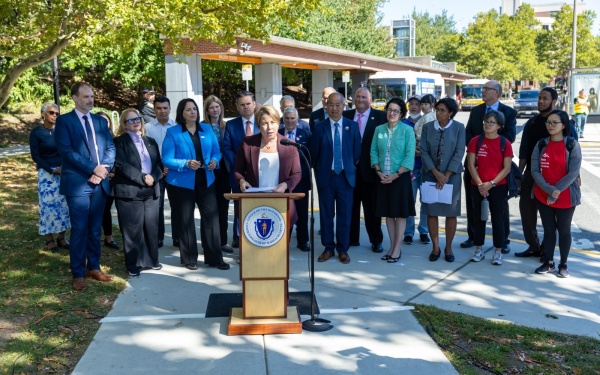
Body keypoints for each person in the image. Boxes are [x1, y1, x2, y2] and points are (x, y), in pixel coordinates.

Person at [55, 82, 116, 291]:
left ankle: (94, 267)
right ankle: (78, 273)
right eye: (85, 97)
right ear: (74, 98)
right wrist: (93, 169)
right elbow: (67, 152)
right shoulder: (64, 121)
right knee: (80, 228)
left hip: (100, 183)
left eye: (92, 96)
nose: (90, 100)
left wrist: (103, 170)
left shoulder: (100, 121)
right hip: (78, 183)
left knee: (94, 227)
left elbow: (110, 146)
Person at [162, 98, 229, 270]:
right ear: (181, 113)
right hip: (182, 183)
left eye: (194, 109)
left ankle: (215, 258)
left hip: (206, 180)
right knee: (186, 220)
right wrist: (185, 163)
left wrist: (214, 160)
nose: (193, 112)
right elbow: (167, 159)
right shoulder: (173, 132)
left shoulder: (206, 129)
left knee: (211, 218)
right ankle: (189, 258)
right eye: (188, 110)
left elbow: (216, 151)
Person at [515, 87, 578, 258]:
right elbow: (524, 150)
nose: (541, 101)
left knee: (551, 218)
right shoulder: (532, 122)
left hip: (557, 176)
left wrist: (576, 176)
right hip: (533, 173)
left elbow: (573, 151)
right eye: (539, 98)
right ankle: (533, 246)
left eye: (545, 98)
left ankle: (546, 250)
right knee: (527, 212)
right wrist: (519, 174)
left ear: (554, 101)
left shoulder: (564, 122)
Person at [463, 80, 516, 253]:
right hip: (474, 164)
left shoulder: (508, 112)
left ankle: (503, 241)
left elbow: (510, 136)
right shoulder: (477, 110)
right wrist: (479, 146)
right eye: (483, 88)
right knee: (473, 203)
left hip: (497, 168)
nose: (483, 91)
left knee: (499, 209)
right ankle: (473, 237)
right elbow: (469, 132)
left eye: (487, 89)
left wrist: (489, 140)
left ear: (497, 93)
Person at [309, 92, 361, 264]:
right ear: (326, 106)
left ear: (344, 106)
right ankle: (328, 248)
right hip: (326, 178)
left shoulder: (352, 126)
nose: (335, 108)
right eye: (331, 104)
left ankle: (343, 249)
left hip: (345, 177)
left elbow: (356, 153)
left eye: (338, 104)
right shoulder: (319, 127)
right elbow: (314, 155)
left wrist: (347, 167)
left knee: (345, 215)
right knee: (326, 215)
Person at [113, 109, 163, 276]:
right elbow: (121, 165)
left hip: (151, 190)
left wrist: (153, 177)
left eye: (137, 119)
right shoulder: (119, 142)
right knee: (132, 230)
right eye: (130, 120)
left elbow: (159, 165)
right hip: (129, 191)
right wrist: (143, 178)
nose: (135, 122)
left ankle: (152, 260)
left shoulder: (150, 141)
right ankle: (133, 264)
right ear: (124, 125)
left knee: (151, 227)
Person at [532, 110, 581, 278]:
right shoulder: (541, 144)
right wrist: (549, 190)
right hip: (542, 194)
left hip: (566, 196)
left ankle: (563, 264)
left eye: (554, 123)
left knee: (564, 230)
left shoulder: (572, 145)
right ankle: (549, 262)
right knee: (548, 230)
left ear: (564, 125)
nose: (550, 126)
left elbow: (573, 173)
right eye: (548, 123)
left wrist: (555, 191)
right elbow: (535, 171)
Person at [235, 105, 301, 221]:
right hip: (254, 204)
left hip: (281, 203)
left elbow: (296, 173)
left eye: (273, 122)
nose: (269, 127)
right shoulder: (247, 144)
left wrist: (286, 185)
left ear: (278, 123)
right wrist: (242, 181)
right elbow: (238, 170)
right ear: (259, 125)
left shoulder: (289, 145)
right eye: (264, 123)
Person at [420, 97, 465, 263]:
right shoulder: (427, 127)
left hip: (451, 177)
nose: (438, 113)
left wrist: (445, 175)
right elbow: (423, 151)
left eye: (442, 110)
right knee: (431, 211)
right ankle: (435, 247)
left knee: (450, 213)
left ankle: (448, 247)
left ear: (451, 113)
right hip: (430, 175)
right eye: (437, 109)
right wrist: (436, 173)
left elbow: (459, 152)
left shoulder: (459, 128)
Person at [370, 98, 416, 263]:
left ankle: (397, 249)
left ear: (402, 114)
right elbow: (374, 152)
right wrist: (379, 171)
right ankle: (392, 247)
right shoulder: (379, 130)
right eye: (389, 109)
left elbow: (409, 155)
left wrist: (397, 173)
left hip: (400, 178)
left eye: (396, 110)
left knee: (400, 214)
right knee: (388, 214)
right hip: (383, 177)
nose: (392, 113)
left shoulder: (407, 130)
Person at [342, 87, 387, 252]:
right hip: (349, 171)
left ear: (370, 100)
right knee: (350, 208)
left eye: (363, 97)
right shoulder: (346, 116)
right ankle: (352, 239)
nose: (360, 99)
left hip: (371, 172)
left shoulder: (381, 117)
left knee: (372, 209)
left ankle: (376, 240)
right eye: (357, 96)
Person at [466, 110, 513, 266]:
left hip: (498, 187)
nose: (487, 124)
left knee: (498, 220)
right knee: (479, 218)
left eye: (491, 122)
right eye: (486, 121)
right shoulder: (475, 141)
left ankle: (498, 251)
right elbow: (470, 164)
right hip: (477, 186)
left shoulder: (504, 143)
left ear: (499, 125)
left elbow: (506, 168)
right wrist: (480, 184)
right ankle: (478, 249)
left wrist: (491, 183)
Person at [29, 102, 70, 253]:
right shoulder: (36, 133)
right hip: (46, 173)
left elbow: (67, 150)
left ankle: (61, 237)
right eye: (52, 113)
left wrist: (64, 168)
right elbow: (36, 156)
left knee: (63, 205)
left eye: (57, 114)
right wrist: (51, 170)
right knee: (47, 206)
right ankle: (49, 239)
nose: (55, 116)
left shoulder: (62, 131)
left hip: (63, 171)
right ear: (43, 114)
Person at [223, 91, 259, 248]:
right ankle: (238, 237)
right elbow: (227, 148)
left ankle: (257, 236)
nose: (246, 107)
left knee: (258, 206)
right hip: (238, 174)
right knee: (239, 208)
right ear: (237, 107)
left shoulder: (262, 121)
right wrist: (240, 165)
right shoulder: (231, 125)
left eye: (248, 104)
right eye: (242, 105)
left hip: (260, 174)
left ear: (254, 104)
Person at [203, 95, 234, 254]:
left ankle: (222, 241)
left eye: (217, 107)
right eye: (211, 107)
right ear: (207, 110)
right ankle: (209, 242)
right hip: (208, 171)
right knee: (208, 209)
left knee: (223, 207)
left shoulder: (226, 126)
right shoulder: (201, 127)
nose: (215, 110)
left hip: (224, 171)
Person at [145, 96, 177, 248]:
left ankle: (178, 237)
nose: (162, 111)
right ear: (154, 110)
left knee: (177, 205)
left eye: (165, 108)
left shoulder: (177, 127)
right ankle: (158, 238)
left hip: (175, 173)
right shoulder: (148, 128)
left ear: (170, 109)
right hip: (156, 173)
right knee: (156, 207)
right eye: (159, 108)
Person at [279, 106, 311, 252]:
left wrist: (298, 175)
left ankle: (303, 241)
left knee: (302, 214)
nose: (290, 121)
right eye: (287, 118)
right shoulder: (278, 134)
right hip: (281, 182)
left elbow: (310, 158)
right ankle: (283, 241)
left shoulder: (306, 134)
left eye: (293, 118)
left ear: (297, 120)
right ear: (283, 119)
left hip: (302, 181)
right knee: (284, 213)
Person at [402, 95, 430, 245]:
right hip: (409, 168)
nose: (414, 106)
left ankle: (424, 231)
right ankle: (408, 232)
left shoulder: (428, 121)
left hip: (425, 168)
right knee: (409, 201)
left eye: (417, 104)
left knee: (425, 201)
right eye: (411, 104)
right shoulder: (403, 123)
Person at [97, 111, 120, 250]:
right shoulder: (91, 138)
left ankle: (108, 238)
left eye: (106, 121)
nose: (104, 123)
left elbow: (117, 159)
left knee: (106, 209)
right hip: (94, 177)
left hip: (110, 179)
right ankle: (95, 237)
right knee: (95, 209)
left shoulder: (114, 139)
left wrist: (112, 173)